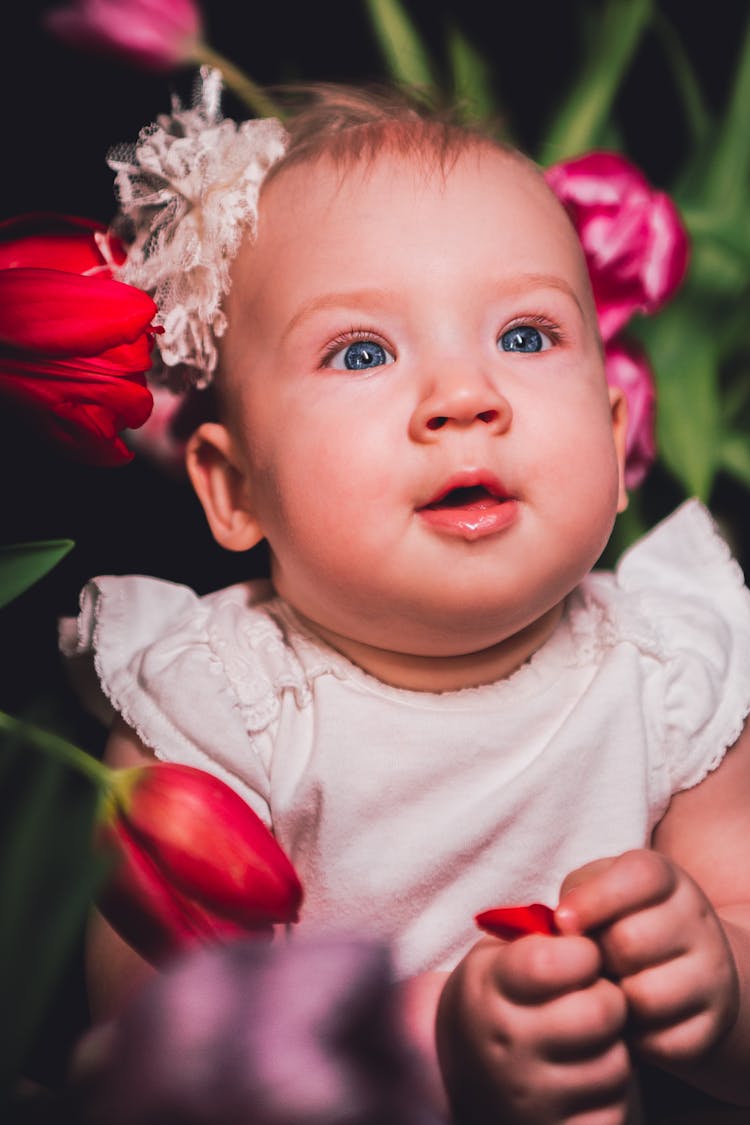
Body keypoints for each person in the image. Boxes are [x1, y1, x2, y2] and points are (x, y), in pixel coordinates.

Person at [62, 74, 750, 1124]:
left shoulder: (670, 672)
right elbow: (151, 1072)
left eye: (524, 337)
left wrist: (717, 988)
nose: (466, 398)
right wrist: (434, 1039)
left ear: (617, 450)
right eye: (363, 351)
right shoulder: (217, 709)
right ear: (236, 488)